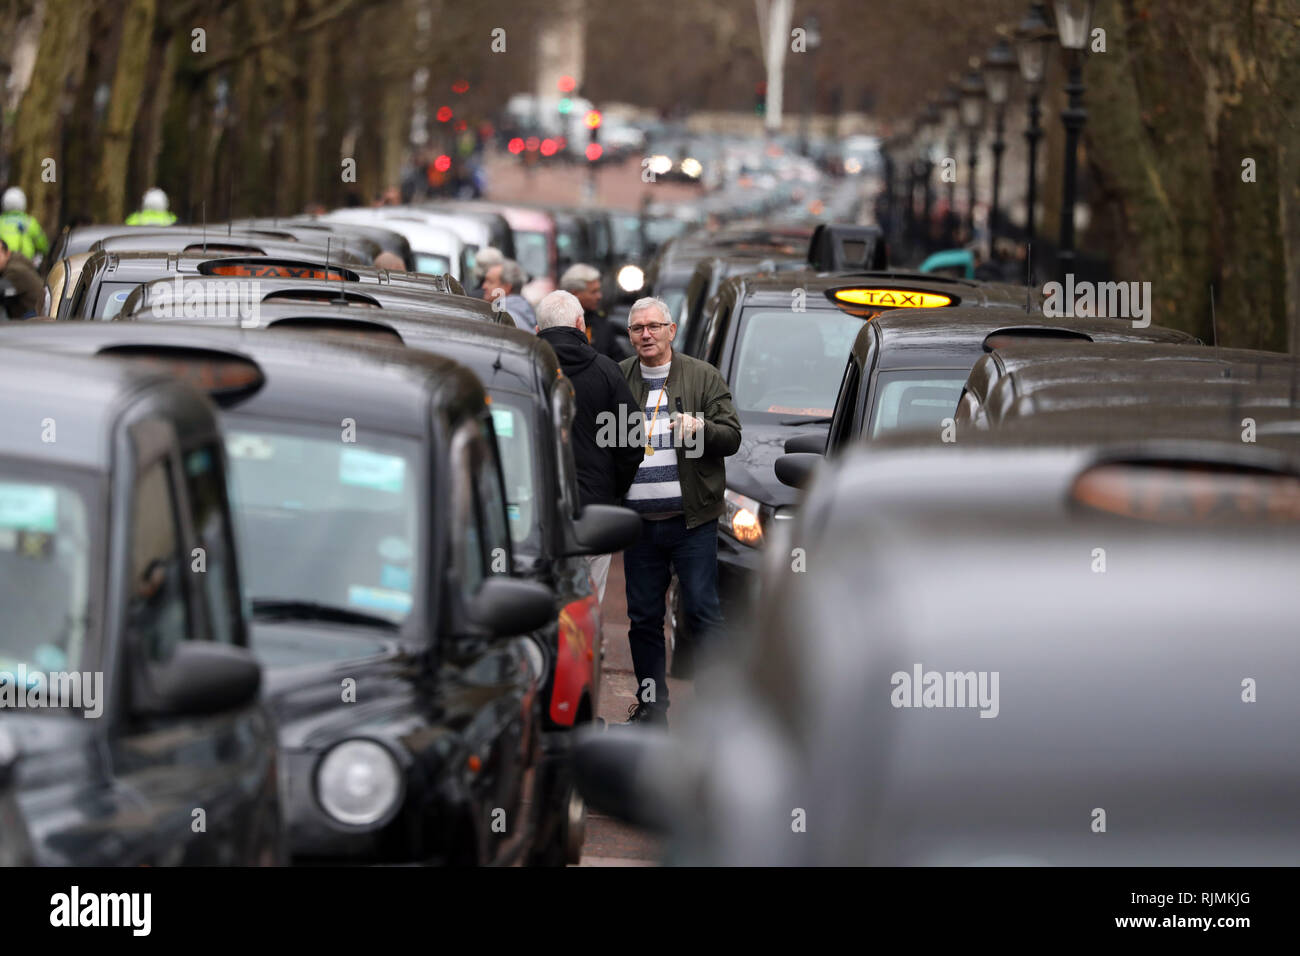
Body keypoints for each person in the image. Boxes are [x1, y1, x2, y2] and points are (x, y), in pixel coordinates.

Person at [618, 296, 740, 725]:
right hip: (639, 527)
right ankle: (653, 708)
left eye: (654, 326)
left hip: (692, 523)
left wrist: (700, 428)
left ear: (671, 330)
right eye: (637, 328)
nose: (646, 335)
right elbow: (602, 441)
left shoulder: (702, 376)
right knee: (643, 619)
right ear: (630, 335)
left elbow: (732, 436)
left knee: (704, 612)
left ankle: (718, 707)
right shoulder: (620, 378)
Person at [535, 290, 642, 601]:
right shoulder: (608, 371)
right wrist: (613, 489)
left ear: (537, 331)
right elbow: (632, 442)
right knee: (587, 607)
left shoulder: (524, 371)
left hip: (533, 514)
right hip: (593, 514)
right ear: (581, 324)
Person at [560, 262, 630, 361]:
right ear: (575, 294)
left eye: (599, 290)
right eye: (594, 292)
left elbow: (619, 361)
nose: (599, 296)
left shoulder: (601, 323)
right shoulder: (555, 324)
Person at [482, 259, 536, 331]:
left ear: (507, 287)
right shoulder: (523, 311)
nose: (484, 286)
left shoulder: (502, 319)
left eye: (490, 282)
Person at [0, 188, 49, 266]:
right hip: (24, 264)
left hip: (3, 264)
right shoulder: (30, 222)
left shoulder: (1, 222)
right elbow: (43, 246)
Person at [0, 238, 45, 319]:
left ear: (7, 253)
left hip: (35, 314)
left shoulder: (14, 270)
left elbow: (4, 291)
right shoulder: (16, 261)